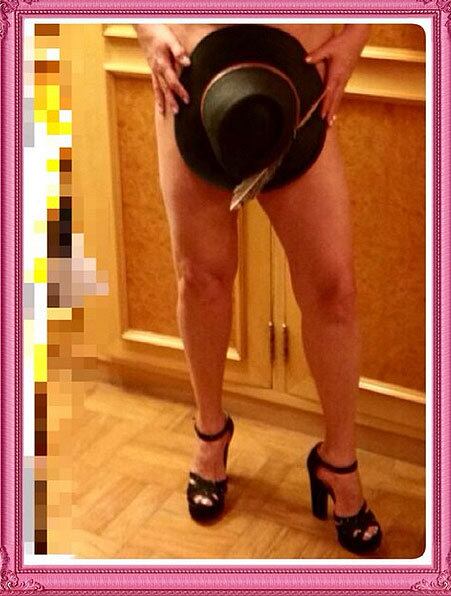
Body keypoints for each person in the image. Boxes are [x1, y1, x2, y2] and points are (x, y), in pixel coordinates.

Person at [134, 21, 382, 554]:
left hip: (300, 77)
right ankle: (210, 434)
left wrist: (358, 35)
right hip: (192, 77)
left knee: (334, 291)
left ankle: (338, 462)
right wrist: (145, 25)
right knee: (201, 278)